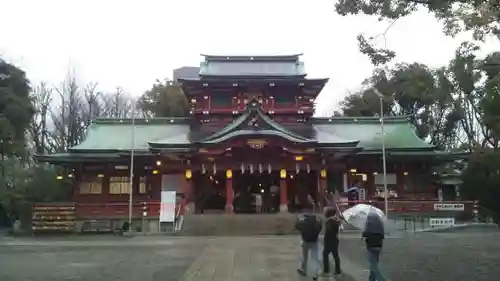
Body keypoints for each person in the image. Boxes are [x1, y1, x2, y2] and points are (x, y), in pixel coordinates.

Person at [295, 204, 323, 280]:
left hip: (306, 241)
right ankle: (315, 273)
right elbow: (320, 227)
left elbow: (297, 226)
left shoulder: (304, 221)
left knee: (305, 256)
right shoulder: (317, 221)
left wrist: (298, 219)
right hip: (314, 241)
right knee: (314, 258)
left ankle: (304, 269)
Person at [362, 212, 386, 281]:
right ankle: (372, 277)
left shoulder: (369, 226)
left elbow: (365, 235)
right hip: (378, 247)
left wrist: (363, 233)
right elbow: (382, 236)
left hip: (371, 247)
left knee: (373, 264)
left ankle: (381, 279)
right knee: (374, 263)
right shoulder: (380, 226)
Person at [322, 207, 342, 276]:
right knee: (335, 255)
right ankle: (337, 270)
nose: (324, 213)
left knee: (327, 254)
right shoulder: (334, 220)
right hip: (334, 240)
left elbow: (330, 231)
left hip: (330, 240)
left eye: (325, 212)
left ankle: (327, 270)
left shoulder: (331, 221)